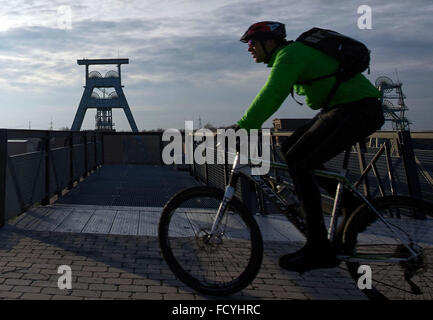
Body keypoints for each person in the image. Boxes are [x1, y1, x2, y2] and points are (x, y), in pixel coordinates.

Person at [234, 21, 385, 273]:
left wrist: (244, 125)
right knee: (291, 147)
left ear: (269, 43)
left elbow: (274, 92)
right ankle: (352, 205)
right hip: (345, 107)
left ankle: (318, 247)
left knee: (301, 161)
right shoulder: (293, 54)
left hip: (356, 108)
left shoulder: (290, 55)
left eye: (252, 43)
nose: (249, 49)